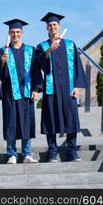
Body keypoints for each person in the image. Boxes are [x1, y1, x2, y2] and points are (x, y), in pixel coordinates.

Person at [35, 12, 87, 162]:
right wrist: (50, 50)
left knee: (71, 119)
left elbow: (77, 66)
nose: (52, 27)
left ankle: (72, 151)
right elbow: (39, 64)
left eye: (54, 25)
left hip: (68, 90)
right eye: (50, 25)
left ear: (59, 26)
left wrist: (77, 86)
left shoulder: (70, 44)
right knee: (50, 120)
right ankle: (52, 152)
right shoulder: (42, 46)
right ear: (46, 28)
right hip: (51, 90)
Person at [0, 20, 43, 164]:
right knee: (10, 123)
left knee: (27, 123)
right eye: (13, 32)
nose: (15, 34)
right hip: (10, 94)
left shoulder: (30, 50)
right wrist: (2, 62)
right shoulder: (3, 52)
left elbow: (35, 71)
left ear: (22, 33)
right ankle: (12, 154)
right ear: (9, 33)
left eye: (18, 32)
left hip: (27, 94)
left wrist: (36, 89)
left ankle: (26, 153)